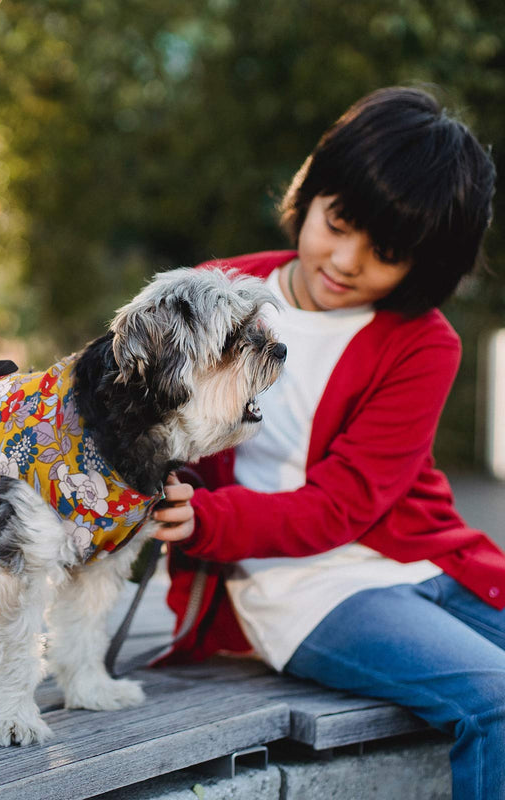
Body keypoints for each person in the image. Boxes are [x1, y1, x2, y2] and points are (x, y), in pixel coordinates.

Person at [148, 86, 503, 799]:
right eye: (337, 224)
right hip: (298, 586)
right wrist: (196, 516)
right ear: (311, 193)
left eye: (387, 252)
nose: (344, 261)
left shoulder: (423, 342)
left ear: (426, 264)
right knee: (495, 703)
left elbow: (348, 503)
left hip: (418, 557)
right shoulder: (219, 294)